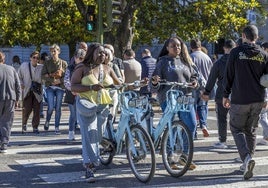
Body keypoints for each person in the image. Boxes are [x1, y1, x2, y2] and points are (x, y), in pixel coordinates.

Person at [71, 43, 122, 183]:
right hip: (86, 105)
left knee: (97, 135)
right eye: (99, 53)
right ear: (91, 53)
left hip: (103, 106)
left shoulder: (108, 68)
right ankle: (89, 167)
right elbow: (73, 86)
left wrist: (139, 83)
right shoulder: (82, 68)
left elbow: (119, 84)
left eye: (104, 53)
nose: (102, 55)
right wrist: (90, 87)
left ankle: (101, 146)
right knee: (89, 136)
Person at [222, 25, 268, 180]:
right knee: (252, 130)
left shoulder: (235, 52)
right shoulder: (263, 54)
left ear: (243, 36)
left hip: (240, 98)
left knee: (236, 128)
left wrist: (225, 94)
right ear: (256, 37)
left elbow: (229, 74)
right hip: (258, 99)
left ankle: (247, 159)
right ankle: (248, 160)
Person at [151, 36, 199, 170]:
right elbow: (155, 81)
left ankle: (185, 155)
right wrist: (155, 82)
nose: (176, 48)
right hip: (168, 97)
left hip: (185, 96)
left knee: (192, 124)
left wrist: (195, 82)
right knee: (170, 125)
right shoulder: (162, 61)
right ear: (167, 48)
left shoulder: (186, 61)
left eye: (178, 46)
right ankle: (170, 156)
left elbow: (195, 76)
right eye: (173, 46)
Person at [201, 39, 236, 149]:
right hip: (237, 94)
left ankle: (222, 141)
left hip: (221, 93)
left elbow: (211, 79)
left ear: (224, 48)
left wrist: (206, 92)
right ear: (234, 48)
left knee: (222, 118)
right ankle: (240, 140)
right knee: (238, 119)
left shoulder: (218, 63)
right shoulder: (238, 62)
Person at [41, 44, 67, 135]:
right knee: (51, 107)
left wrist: (59, 80)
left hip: (60, 87)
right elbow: (43, 75)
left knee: (58, 107)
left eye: (54, 51)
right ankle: (47, 121)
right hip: (50, 87)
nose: (52, 53)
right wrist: (52, 80)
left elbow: (66, 76)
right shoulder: (47, 62)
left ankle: (57, 127)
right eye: (51, 51)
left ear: (58, 52)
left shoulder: (63, 63)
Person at [190, 38, 213, 137]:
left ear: (191, 47)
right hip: (205, 86)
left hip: (194, 85)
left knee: (193, 108)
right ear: (200, 46)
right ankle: (203, 125)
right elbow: (212, 72)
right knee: (203, 106)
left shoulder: (190, 57)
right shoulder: (207, 57)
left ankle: (193, 131)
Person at [18, 51, 43, 134]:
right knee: (27, 109)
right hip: (27, 90)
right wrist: (21, 83)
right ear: (30, 58)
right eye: (34, 57)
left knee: (37, 110)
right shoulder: (24, 66)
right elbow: (19, 76)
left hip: (37, 92)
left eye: (37, 58)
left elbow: (44, 78)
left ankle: (35, 127)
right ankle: (24, 124)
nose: (35, 59)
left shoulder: (41, 67)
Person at [0, 51, 21, 153]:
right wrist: (18, 99)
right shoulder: (12, 69)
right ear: (3, 59)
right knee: (7, 122)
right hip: (10, 98)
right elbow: (18, 85)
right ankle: (4, 144)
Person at [64, 48, 86, 141]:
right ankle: (71, 132)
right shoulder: (70, 67)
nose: (80, 60)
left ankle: (84, 134)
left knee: (83, 115)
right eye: (78, 58)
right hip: (72, 93)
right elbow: (66, 81)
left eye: (82, 58)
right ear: (75, 58)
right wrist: (73, 89)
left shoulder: (87, 68)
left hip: (83, 94)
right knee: (73, 114)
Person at [258, 41, 268, 145]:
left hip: (264, 92)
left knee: (262, 115)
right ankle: (265, 137)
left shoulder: (265, 59)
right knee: (263, 115)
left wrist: (265, 98)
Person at [39, 52, 49, 118]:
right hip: (46, 83)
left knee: (41, 98)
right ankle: (43, 112)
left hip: (42, 83)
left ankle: (41, 112)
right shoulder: (48, 65)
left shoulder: (39, 66)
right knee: (46, 98)